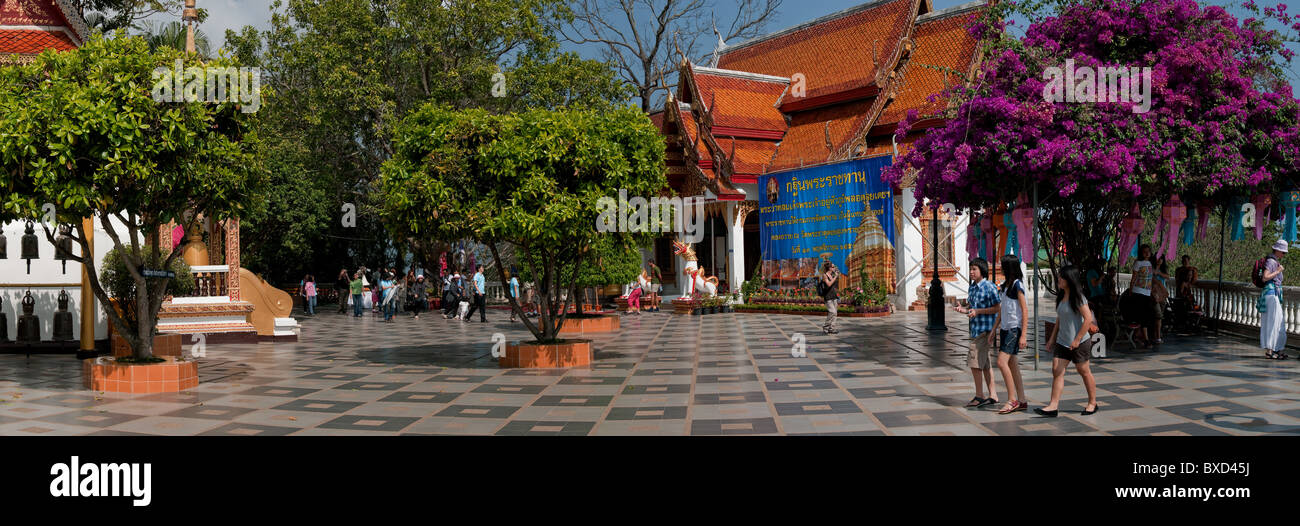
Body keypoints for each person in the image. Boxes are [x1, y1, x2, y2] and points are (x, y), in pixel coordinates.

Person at [1035, 265, 1100, 417]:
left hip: (1080, 342)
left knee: (1083, 371)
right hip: (1062, 341)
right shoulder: (1061, 296)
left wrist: (1077, 339)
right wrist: (1051, 339)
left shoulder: (1078, 298)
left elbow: (1088, 319)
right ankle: (1053, 406)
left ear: (1069, 279)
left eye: (1061, 277)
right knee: (1057, 370)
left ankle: (1092, 403)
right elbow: (1059, 319)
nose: (1058, 279)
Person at [955, 258, 1001, 408]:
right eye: (970, 269)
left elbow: (997, 308)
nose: (971, 272)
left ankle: (979, 396)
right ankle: (993, 395)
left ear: (982, 270)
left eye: (974, 269)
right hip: (975, 329)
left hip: (985, 330)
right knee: (985, 363)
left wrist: (979, 311)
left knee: (974, 362)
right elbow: (972, 308)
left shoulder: (989, 287)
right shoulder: (972, 287)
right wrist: (963, 310)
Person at [990, 255, 1029, 414]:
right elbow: (1002, 310)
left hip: (1014, 329)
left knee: (1001, 362)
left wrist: (1024, 334)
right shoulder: (1006, 286)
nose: (1000, 267)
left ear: (1009, 268)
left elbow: (1024, 310)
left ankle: (1012, 399)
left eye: (1003, 265)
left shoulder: (1017, 285)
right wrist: (994, 329)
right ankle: (1022, 399)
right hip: (1006, 329)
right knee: (1012, 364)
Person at [1260, 240, 1289, 360]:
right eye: (1282, 252)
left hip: (1273, 294)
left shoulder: (1274, 261)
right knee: (1274, 323)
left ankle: (1277, 350)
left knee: (1278, 322)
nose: (1284, 254)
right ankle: (1270, 351)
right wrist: (1277, 271)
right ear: (1277, 250)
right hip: (1271, 295)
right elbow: (1265, 278)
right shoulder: (1271, 261)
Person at [1129, 245, 1156, 348]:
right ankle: (1146, 339)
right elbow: (1134, 277)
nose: (1147, 253)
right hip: (1139, 291)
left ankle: (1138, 336)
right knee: (1143, 316)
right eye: (1145, 252)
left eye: (1148, 251)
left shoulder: (1150, 263)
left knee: (1147, 315)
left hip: (1147, 292)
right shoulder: (1138, 263)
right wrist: (1131, 290)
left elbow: (1151, 278)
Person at [1151, 257, 1171, 344]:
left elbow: (1168, 277)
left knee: (1160, 316)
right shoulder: (1150, 268)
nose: (1159, 260)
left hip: (1162, 293)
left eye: (1161, 259)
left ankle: (1157, 333)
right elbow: (1151, 277)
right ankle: (1157, 336)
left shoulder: (1163, 270)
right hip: (1154, 293)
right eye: (1158, 258)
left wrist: (1159, 272)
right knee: (1158, 314)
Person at [819, 261, 839, 334]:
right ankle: (825, 326)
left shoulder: (832, 274)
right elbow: (829, 284)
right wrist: (835, 277)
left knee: (835, 313)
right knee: (832, 311)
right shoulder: (825, 275)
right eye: (833, 267)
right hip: (828, 296)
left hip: (834, 296)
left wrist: (835, 276)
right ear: (830, 268)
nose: (834, 268)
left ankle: (832, 328)